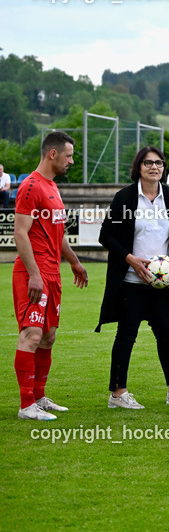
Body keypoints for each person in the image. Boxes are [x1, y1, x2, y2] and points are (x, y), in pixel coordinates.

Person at [97, 147, 169, 409]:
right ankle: (118, 394)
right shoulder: (125, 198)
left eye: (159, 162)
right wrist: (130, 259)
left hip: (163, 283)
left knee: (167, 335)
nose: (154, 167)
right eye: (148, 162)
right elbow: (106, 235)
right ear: (138, 166)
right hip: (130, 280)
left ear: (164, 167)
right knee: (126, 336)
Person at [12, 131, 88, 420]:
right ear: (53, 154)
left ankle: (40, 397)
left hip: (52, 273)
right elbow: (20, 233)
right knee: (31, 335)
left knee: (48, 337)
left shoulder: (53, 187)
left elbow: (59, 233)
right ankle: (26, 404)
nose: (71, 161)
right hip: (34, 273)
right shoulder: (30, 186)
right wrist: (33, 274)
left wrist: (74, 262)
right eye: (68, 155)